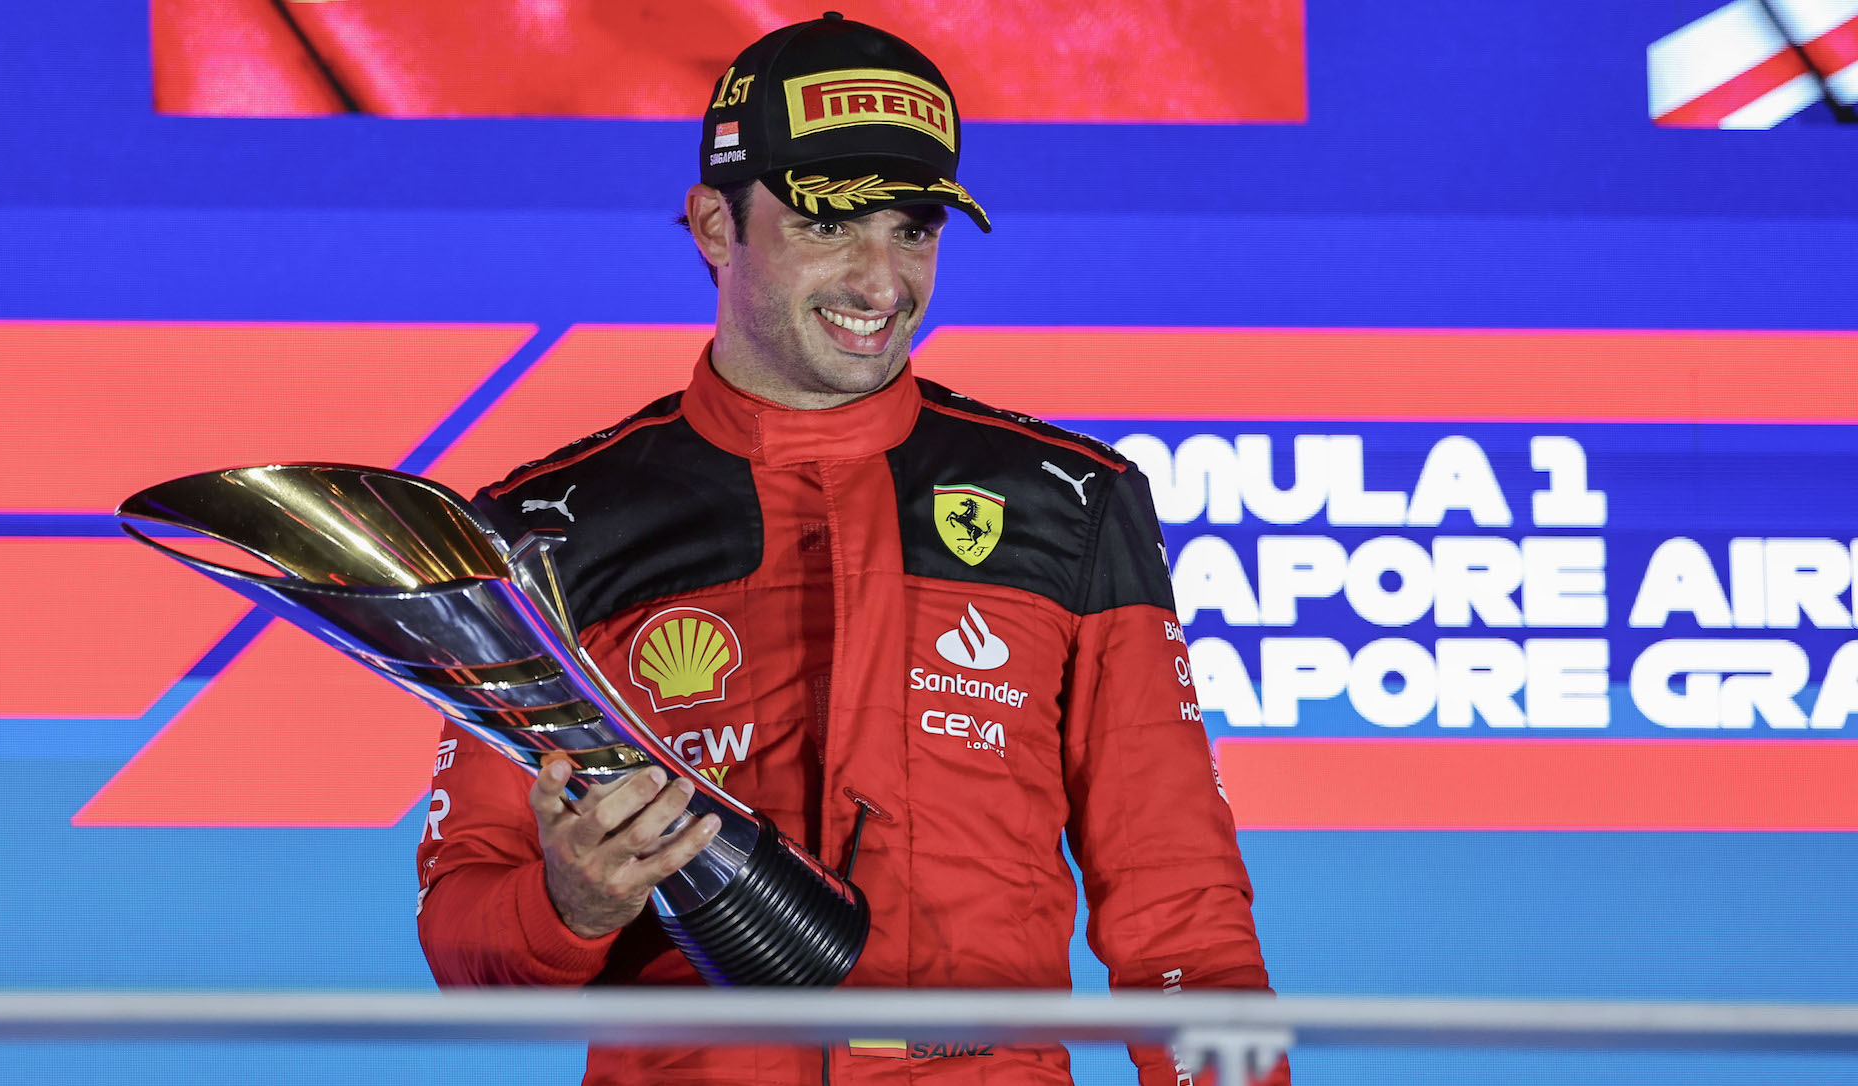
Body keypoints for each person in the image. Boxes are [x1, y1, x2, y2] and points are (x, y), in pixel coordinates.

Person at [416, 13, 1287, 1085]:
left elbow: (1182, 916)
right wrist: (569, 902)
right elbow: (466, 942)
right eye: (832, 225)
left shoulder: (1073, 502)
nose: (884, 282)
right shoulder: (548, 526)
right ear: (713, 226)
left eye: (914, 229)